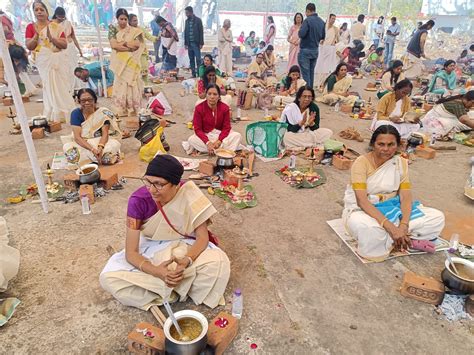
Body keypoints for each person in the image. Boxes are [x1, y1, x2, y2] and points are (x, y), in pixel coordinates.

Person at [100, 154, 230, 310]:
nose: (152, 190)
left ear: (176, 184)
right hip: (153, 247)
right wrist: (157, 271)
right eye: (148, 181)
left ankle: (163, 291)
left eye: (159, 184)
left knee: (219, 263)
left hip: (187, 246)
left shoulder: (189, 193)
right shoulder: (137, 200)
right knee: (109, 279)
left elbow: (202, 238)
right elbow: (131, 253)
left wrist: (187, 260)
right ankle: (177, 289)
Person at [342, 125, 445, 261]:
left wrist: (403, 225)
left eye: (391, 144)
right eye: (381, 144)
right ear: (373, 144)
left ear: (397, 145)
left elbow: (405, 196)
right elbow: (362, 201)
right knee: (370, 230)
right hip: (363, 210)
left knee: (437, 218)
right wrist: (391, 227)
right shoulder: (361, 163)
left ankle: (396, 238)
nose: (386, 149)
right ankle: (405, 239)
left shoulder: (400, 162)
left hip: (392, 208)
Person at [25, 1, 75, 122]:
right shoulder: (31, 27)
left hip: (58, 60)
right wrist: (36, 36)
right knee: (48, 86)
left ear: (47, 11)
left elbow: (64, 44)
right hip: (43, 61)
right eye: (36, 10)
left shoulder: (56, 27)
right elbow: (29, 46)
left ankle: (64, 112)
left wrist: (52, 39)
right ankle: (53, 111)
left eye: (41, 9)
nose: (39, 12)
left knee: (61, 85)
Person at [62, 88, 122, 165]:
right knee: (68, 148)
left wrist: (100, 148)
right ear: (79, 102)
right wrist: (92, 149)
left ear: (95, 100)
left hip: (100, 141)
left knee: (114, 144)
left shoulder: (103, 112)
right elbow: (77, 137)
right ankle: (100, 158)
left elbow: (105, 134)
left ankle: (97, 157)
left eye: (90, 100)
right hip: (83, 142)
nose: (87, 103)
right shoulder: (76, 113)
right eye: (83, 101)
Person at [185, 84, 241, 155]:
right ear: (206, 95)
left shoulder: (225, 108)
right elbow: (197, 129)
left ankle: (214, 150)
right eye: (209, 94)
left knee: (237, 136)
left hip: (221, 136)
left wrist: (219, 141)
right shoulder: (199, 108)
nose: (212, 97)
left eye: (215, 94)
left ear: (219, 96)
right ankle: (221, 150)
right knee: (191, 140)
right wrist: (208, 143)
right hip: (206, 136)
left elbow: (226, 128)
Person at [109, 8, 145, 117]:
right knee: (121, 85)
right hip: (120, 62)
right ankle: (121, 108)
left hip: (131, 62)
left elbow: (137, 45)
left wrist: (123, 44)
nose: (123, 21)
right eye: (121, 19)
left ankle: (132, 107)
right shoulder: (113, 29)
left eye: (125, 19)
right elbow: (113, 45)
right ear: (117, 19)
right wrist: (129, 47)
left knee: (132, 84)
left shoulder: (133, 30)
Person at [52, 6, 82, 92]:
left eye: (63, 17)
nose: (62, 18)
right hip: (61, 48)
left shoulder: (67, 23)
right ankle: (66, 87)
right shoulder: (52, 24)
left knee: (73, 67)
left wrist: (79, 49)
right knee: (64, 68)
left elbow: (74, 37)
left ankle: (73, 87)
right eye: (60, 17)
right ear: (56, 15)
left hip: (70, 47)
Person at [298, 3, 325, 88]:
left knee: (305, 74)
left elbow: (301, 34)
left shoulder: (307, 20)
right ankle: (310, 91)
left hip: (305, 50)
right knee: (311, 72)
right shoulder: (321, 21)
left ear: (308, 11)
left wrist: (299, 30)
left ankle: (307, 93)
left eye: (306, 12)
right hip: (315, 50)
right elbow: (323, 36)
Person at [129, 13, 158, 82]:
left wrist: (157, 38)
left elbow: (149, 36)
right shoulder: (127, 31)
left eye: (137, 20)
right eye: (134, 21)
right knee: (135, 75)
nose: (136, 22)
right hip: (132, 55)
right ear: (129, 22)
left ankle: (145, 88)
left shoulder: (141, 29)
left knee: (144, 73)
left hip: (143, 54)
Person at [314, 13, 339, 88]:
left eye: (334, 19)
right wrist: (320, 41)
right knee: (320, 65)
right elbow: (318, 36)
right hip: (322, 49)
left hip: (330, 50)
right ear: (329, 18)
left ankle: (325, 82)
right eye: (332, 18)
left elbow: (337, 39)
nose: (333, 20)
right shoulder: (322, 27)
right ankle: (319, 82)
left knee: (329, 67)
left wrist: (334, 42)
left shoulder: (335, 29)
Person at [184, 6, 204, 78]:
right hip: (189, 44)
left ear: (191, 12)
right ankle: (193, 74)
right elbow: (185, 32)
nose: (186, 14)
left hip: (196, 43)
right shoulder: (186, 21)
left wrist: (201, 43)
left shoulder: (198, 20)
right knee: (191, 59)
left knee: (198, 59)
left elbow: (201, 32)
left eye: (187, 13)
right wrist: (185, 43)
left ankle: (199, 74)